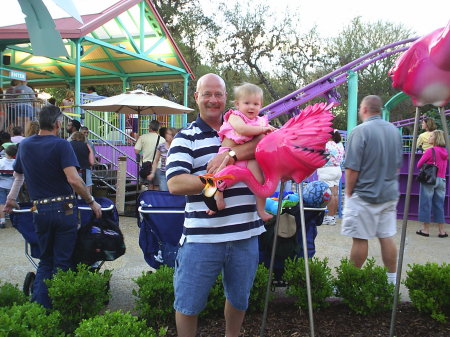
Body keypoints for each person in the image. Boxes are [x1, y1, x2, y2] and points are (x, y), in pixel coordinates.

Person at [166, 73, 266, 337]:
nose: (213, 100)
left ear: (226, 99)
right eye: (207, 94)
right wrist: (214, 180)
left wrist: (230, 155)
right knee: (188, 304)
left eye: (218, 94)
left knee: (239, 299)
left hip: (246, 234)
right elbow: (175, 183)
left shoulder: (245, 128)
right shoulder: (186, 136)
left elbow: (265, 143)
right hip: (202, 239)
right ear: (197, 97)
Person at [4, 104, 101, 308]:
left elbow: (18, 176)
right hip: (64, 208)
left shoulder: (26, 145)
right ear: (57, 123)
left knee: (46, 261)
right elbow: (74, 180)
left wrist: (11, 200)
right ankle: (61, 310)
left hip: (38, 209)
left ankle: (40, 310)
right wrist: (91, 202)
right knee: (62, 262)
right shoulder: (61, 145)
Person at [341, 95, 403, 285]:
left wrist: (349, 193)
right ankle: (391, 283)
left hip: (364, 195)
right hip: (389, 194)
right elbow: (398, 166)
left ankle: (350, 284)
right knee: (386, 237)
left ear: (365, 109)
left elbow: (352, 168)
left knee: (360, 239)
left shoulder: (359, 131)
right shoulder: (394, 131)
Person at [206, 82, 276, 221]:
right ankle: (215, 200)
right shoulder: (235, 116)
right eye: (247, 103)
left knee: (260, 180)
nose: (251, 107)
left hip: (250, 158)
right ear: (237, 104)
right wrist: (263, 130)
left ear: (261, 105)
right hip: (227, 152)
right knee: (217, 176)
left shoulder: (261, 121)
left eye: (256, 104)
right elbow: (242, 130)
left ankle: (261, 210)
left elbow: (271, 135)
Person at [416, 129, 448, 238]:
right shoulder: (445, 151)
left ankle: (425, 230)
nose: (429, 138)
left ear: (435, 139)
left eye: (430, 136)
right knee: (439, 205)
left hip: (430, 180)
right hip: (442, 180)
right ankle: (442, 231)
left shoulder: (431, 151)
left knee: (426, 203)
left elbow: (419, 165)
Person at [317, 130, 345, 225]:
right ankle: (332, 216)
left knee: (329, 194)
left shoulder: (326, 145)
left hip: (327, 170)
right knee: (335, 194)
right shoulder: (339, 145)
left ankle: (329, 217)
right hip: (337, 169)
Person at [134, 120, 161, 189]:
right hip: (158, 166)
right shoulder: (162, 139)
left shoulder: (143, 137)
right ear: (158, 128)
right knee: (157, 186)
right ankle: (156, 199)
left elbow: (136, 151)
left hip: (146, 166)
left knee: (148, 186)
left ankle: (149, 199)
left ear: (150, 127)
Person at [148, 127, 176, 192]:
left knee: (174, 192)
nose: (168, 136)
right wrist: (152, 173)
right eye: (167, 134)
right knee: (164, 191)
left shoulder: (176, 146)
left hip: (174, 173)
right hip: (164, 173)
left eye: (170, 134)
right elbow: (156, 160)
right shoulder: (161, 146)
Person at [0, 145, 17, 228]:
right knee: (13, 202)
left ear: (5, 152)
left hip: (2, 185)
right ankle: (14, 219)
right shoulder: (16, 162)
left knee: (2, 203)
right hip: (13, 186)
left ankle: (2, 221)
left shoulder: (1, 162)